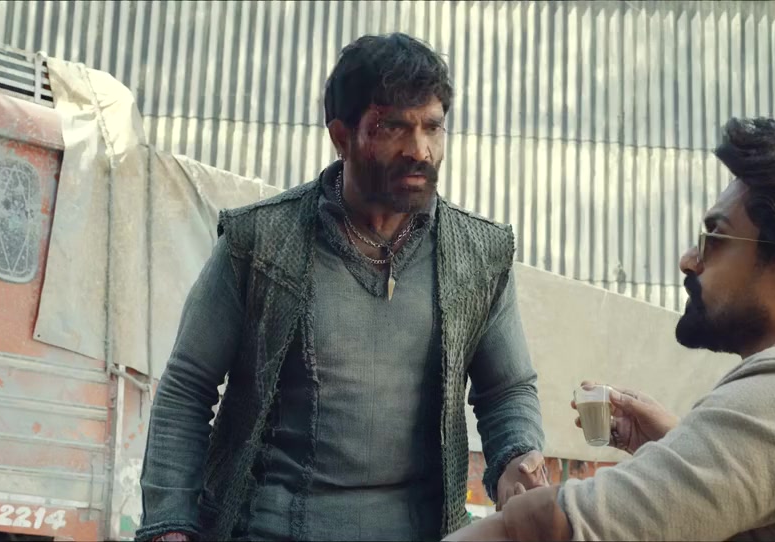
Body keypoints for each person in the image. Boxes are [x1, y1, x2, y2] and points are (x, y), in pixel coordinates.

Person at [446, 117, 775, 541]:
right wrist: (678, 445)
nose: (689, 260)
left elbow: (558, 528)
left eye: (715, 237)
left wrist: (516, 518)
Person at [136, 33, 548, 542]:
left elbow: (507, 390)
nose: (419, 150)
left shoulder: (478, 255)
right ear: (341, 135)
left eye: (432, 127)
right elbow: (187, 389)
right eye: (392, 127)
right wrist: (169, 525)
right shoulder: (260, 243)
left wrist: (516, 459)